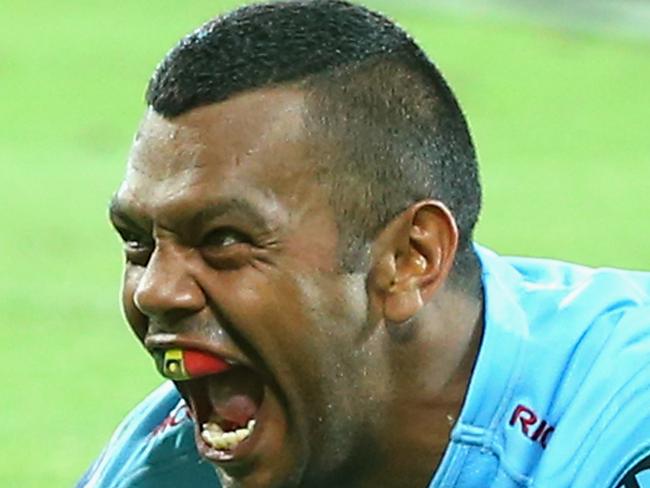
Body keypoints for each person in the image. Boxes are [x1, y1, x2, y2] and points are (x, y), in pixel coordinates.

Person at [78, 1, 650, 487]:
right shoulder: (160, 468)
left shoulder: (618, 434)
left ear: (410, 260)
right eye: (137, 243)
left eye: (223, 240)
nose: (156, 291)